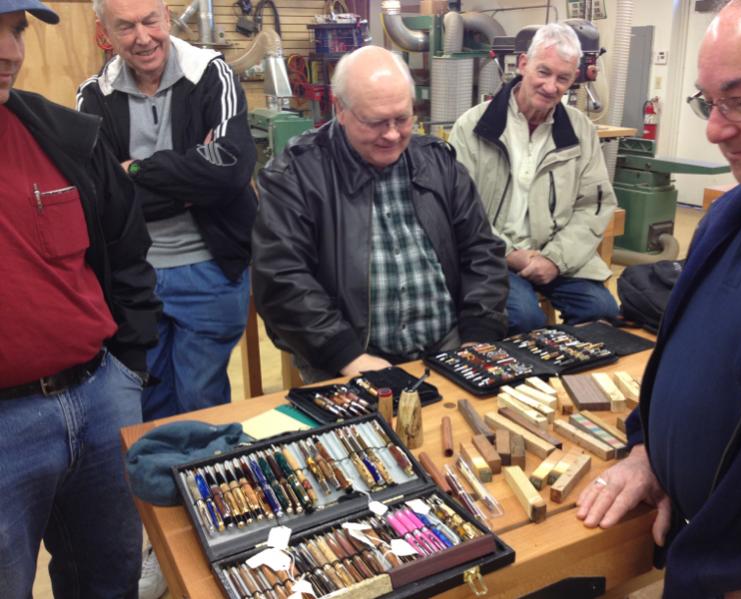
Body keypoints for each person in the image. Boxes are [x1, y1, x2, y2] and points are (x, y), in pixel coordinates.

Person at [576, 1, 741, 597]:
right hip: (699, 555)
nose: (715, 129)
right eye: (709, 102)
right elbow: (685, 363)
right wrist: (650, 452)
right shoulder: (731, 213)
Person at [0, 1, 161, 597]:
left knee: (111, 578)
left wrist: (127, 370)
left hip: (99, 400)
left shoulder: (64, 136)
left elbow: (127, 248)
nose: (11, 52)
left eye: (16, 31)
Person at [252, 45, 508, 383]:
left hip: (449, 348)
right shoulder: (296, 175)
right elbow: (282, 278)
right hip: (346, 359)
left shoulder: (438, 164)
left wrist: (477, 333)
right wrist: (346, 355)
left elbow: (482, 251)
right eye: (375, 122)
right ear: (340, 109)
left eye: (402, 119)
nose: (391, 134)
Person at [77, 0, 257, 421]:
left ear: (167, 17)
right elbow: (101, 196)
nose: (142, 37)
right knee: (148, 405)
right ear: (105, 32)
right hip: (135, 278)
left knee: (202, 401)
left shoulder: (211, 74)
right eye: (126, 27)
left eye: (150, 21)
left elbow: (231, 170)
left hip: (212, 270)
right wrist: (192, 183)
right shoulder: (94, 95)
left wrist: (136, 170)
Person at [449, 23, 619, 334]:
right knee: (525, 318)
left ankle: (567, 365)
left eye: (562, 78)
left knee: (602, 310)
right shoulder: (472, 126)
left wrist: (554, 260)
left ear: (573, 80)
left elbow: (593, 206)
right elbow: (462, 211)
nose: (551, 86)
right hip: (493, 256)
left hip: (558, 255)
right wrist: (510, 255)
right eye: (544, 72)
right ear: (523, 64)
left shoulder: (581, 131)